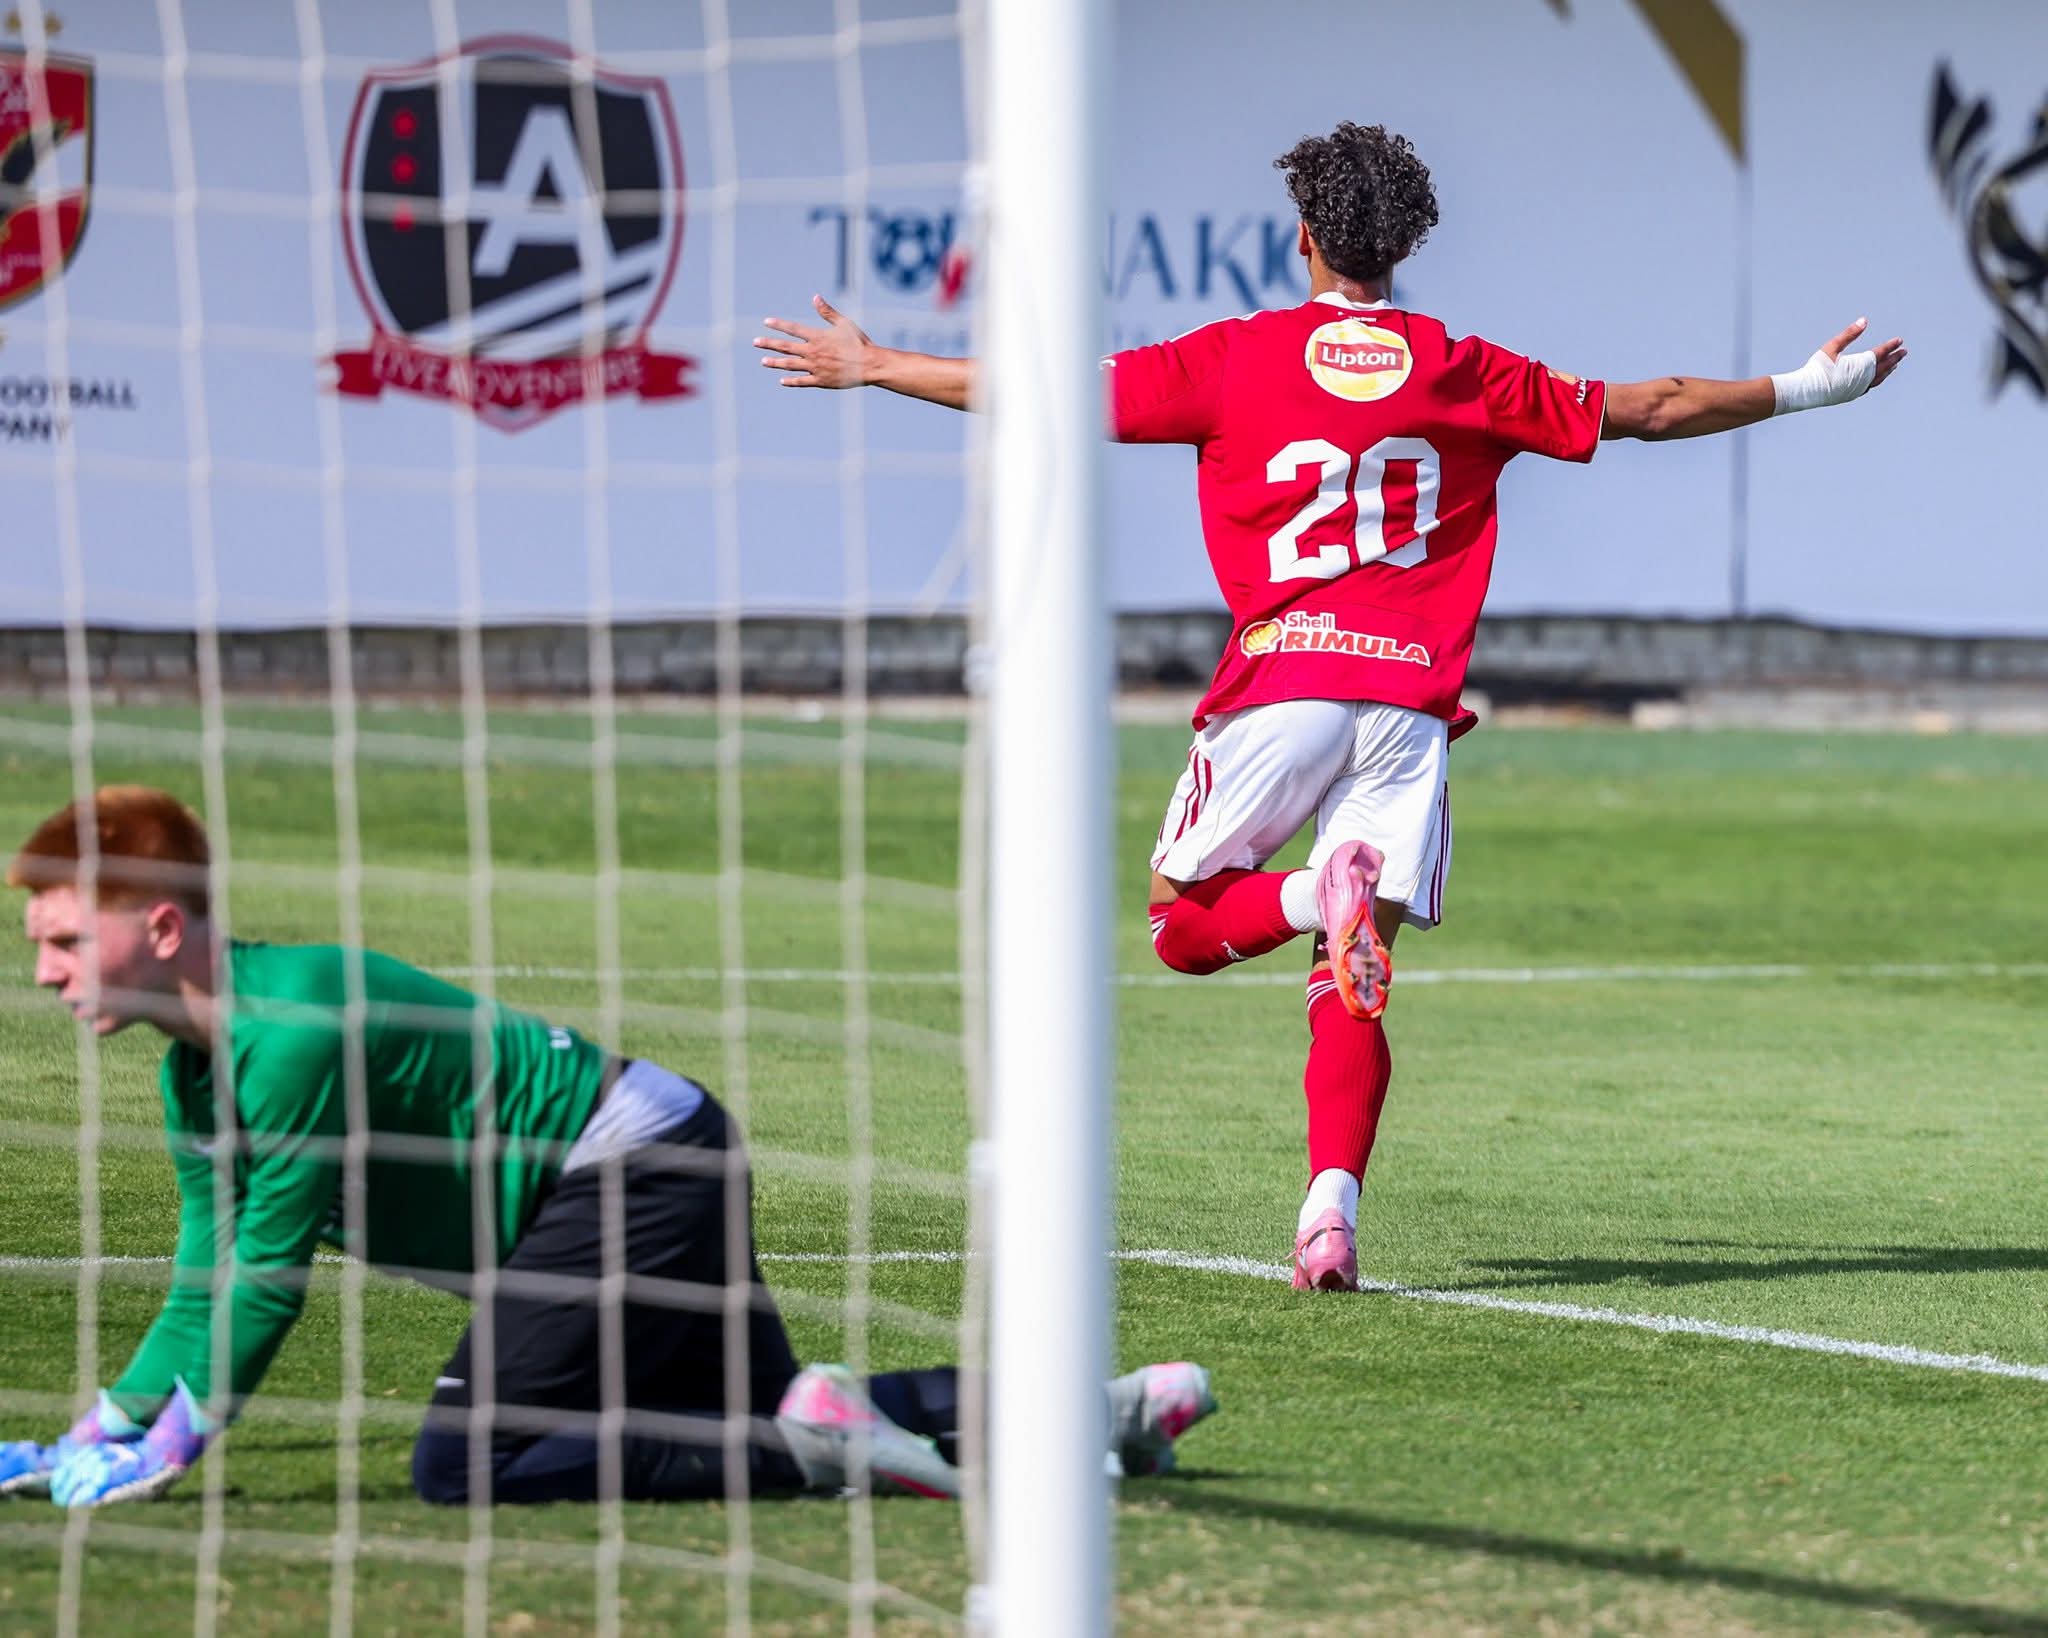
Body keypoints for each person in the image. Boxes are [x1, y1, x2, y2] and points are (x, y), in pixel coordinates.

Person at [753, 121, 1906, 1293]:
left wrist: (879, 363)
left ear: (1301, 238)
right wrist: (1811, 385)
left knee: (1176, 923)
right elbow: (1651, 406)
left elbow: (1044, 397)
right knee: (1346, 980)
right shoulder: (1461, 368)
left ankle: (1312, 896)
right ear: (1403, 248)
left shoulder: (1230, 359)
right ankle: (1327, 1218)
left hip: (1280, 689)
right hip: (1404, 708)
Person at [0, 787, 1215, 1508]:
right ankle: (1105, 1414)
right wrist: (101, 1429)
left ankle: (813, 1458)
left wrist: (174, 1446)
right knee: (761, 1404)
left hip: (633, 1173)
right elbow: (205, 1273)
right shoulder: (194, 1074)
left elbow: (267, 1276)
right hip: (660, 1154)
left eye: (62, 942)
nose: (43, 972)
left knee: (464, 1462)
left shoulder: (292, 1030)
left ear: (160, 926)